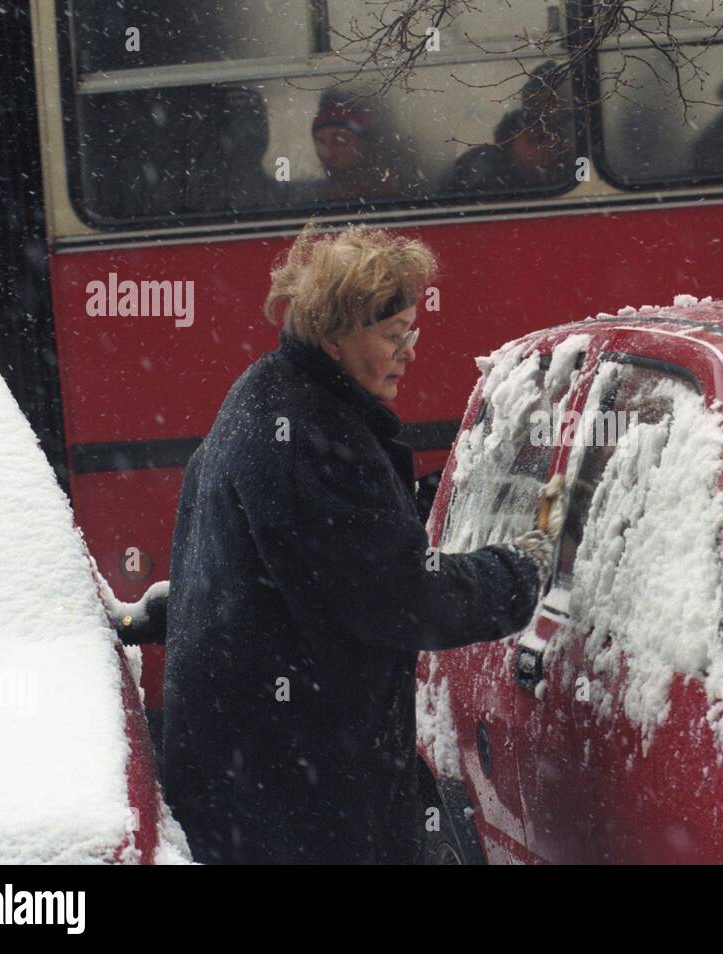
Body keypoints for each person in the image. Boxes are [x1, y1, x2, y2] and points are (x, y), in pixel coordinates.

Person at [162, 223, 555, 864]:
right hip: (300, 791)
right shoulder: (311, 438)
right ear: (332, 336)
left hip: (260, 774)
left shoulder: (271, 395)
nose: (408, 353)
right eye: (391, 336)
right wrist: (519, 573)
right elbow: (402, 598)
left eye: (411, 333)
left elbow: (345, 547)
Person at [311, 88, 418, 201]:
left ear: (367, 144)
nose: (328, 152)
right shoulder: (308, 201)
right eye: (320, 143)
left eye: (340, 140)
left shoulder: (409, 198)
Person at [443, 108, 564, 194]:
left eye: (552, 140)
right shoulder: (487, 171)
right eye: (533, 140)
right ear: (508, 142)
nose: (546, 147)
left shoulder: (546, 174)